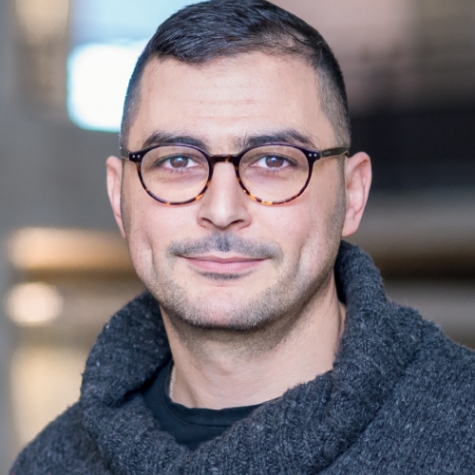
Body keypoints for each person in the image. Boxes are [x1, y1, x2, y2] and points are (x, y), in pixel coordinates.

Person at [11, 1, 475, 473]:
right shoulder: (50, 464)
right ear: (119, 198)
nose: (221, 210)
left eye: (274, 160)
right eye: (177, 160)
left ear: (352, 194)